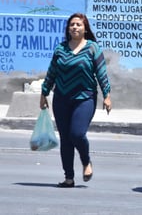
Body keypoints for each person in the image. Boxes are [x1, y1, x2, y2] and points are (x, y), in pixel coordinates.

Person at [39, 13, 112, 188]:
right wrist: (44, 93)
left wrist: (107, 95)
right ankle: (69, 177)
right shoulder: (61, 49)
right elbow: (52, 73)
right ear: (68, 28)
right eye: (72, 24)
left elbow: (101, 73)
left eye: (78, 24)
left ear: (85, 28)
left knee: (77, 134)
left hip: (85, 97)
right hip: (61, 98)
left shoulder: (92, 48)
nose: (75, 27)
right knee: (65, 138)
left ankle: (86, 161)